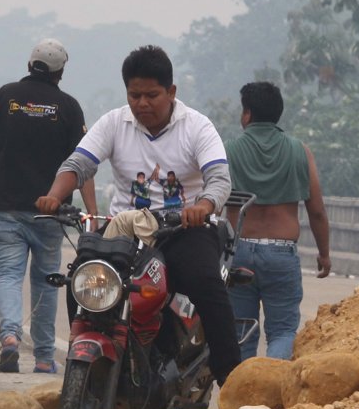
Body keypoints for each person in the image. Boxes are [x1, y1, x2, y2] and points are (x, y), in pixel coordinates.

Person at [35, 44, 243, 385]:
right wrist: (54, 195)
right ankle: (90, 370)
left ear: (171, 92)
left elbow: (219, 178)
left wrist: (203, 208)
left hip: (183, 230)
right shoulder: (115, 123)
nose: (142, 103)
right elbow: (79, 164)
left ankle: (231, 379)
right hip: (125, 234)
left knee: (207, 284)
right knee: (82, 277)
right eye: (134, 95)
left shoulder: (197, 127)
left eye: (152, 95)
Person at [0, 39, 96, 375]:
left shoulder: (6, 97)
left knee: (8, 273)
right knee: (45, 280)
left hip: (6, 207)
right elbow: (83, 165)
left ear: (30, 65)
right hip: (50, 212)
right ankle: (43, 357)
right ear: (61, 72)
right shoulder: (68, 107)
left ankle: (10, 336)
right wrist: (92, 214)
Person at [224, 81, 331, 360]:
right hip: (281, 254)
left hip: (240, 253)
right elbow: (317, 210)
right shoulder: (299, 151)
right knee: (283, 331)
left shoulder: (229, 151)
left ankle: (242, 396)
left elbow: (211, 200)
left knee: (241, 331)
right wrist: (324, 254)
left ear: (247, 114)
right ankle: (271, 395)